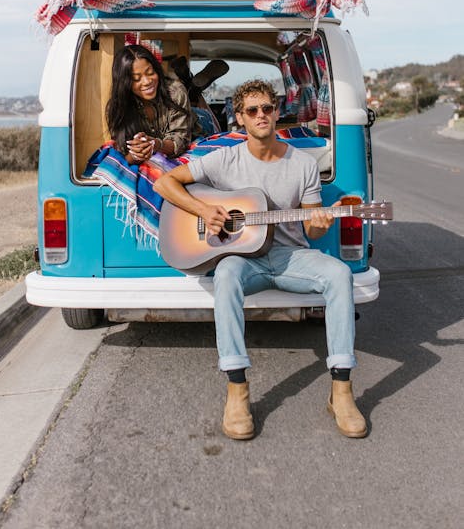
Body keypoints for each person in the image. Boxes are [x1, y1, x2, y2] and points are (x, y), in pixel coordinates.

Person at [154, 79, 367, 440]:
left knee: (339, 274)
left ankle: (342, 390)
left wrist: (320, 224)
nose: (261, 115)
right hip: (244, 259)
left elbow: (313, 231)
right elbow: (165, 184)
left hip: (290, 256)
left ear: (276, 111)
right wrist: (205, 209)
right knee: (226, 274)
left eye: (267, 108)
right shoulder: (225, 159)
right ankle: (237, 389)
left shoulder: (302, 165)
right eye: (252, 110)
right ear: (240, 118)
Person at [106, 44, 203, 164]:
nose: (147, 82)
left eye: (150, 72)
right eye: (136, 79)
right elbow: (124, 156)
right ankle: (191, 86)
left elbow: (180, 142)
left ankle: (193, 88)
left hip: (195, 125)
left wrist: (157, 145)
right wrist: (137, 152)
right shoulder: (118, 107)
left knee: (200, 107)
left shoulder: (176, 91)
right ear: (124, 83)